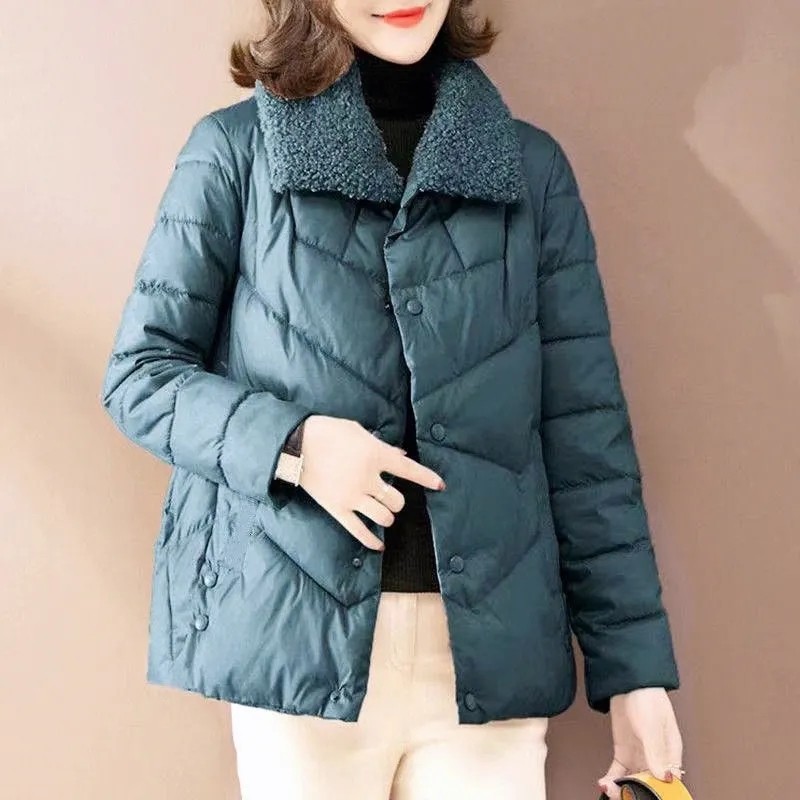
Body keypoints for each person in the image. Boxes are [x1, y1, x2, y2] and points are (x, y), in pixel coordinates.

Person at [99, 1, 685, 798]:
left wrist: (634, 675)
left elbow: (587, 443)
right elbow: (142, 374)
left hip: (488, 670)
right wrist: (297, 448)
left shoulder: (529, 169)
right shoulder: (235, 149)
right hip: (299, 659)